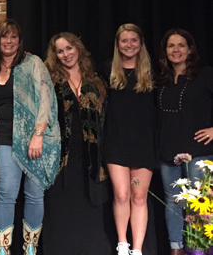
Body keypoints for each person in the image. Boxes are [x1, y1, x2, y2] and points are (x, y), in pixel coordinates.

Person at [0, 19, 60, 255]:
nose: (9, 41)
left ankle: (30, 250)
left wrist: (37, 134)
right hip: (5, 138)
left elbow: (47, 102)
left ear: (19, 40)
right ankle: (3, 251)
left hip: (35, 138)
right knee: (7, 193)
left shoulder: (33, 63)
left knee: (34, 195)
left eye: (13, 37)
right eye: (4, 37)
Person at [42, 32, 112, 254]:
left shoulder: (96, 80)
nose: (65, 54)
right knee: (62, 203)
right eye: (60, 51)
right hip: (60, 154)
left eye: (69, 48)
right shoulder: (49, 80)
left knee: (88, 203)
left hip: (91, 154)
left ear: (78, 49)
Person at [156, 29, 213, 255]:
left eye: (181, 45)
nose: (176, 50)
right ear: (165, 51)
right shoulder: (160, 79)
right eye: (171, 46)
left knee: (199, 201)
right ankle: (176, 249)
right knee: (173, 201)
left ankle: (199, 249)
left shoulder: (205, 74)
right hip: (168, 150)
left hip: (199, 150)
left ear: (190, 49)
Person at [103, 23, 156, 255]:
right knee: (122, 194)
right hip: (117, 143)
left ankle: (137, 249)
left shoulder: (152, 71)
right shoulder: (108, 70)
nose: (129, 45)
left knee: (138, 195)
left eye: (134, 40)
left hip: (143, 144)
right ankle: (122, 244)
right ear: (117, 44)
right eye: (124, 41)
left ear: (140, 43)